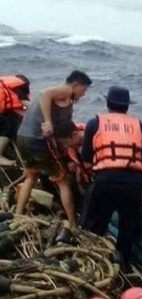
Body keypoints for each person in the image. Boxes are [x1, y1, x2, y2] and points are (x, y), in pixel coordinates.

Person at [79, 86, 142, 267]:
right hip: (134, 184)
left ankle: (90, 262)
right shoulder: (138, 125)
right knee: (128, 229)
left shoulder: (95, 123)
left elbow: (87, 158)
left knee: (94, 226)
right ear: (127, 107)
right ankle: (123, 266)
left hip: (106, 181)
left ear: (107, 103)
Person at [15, 70, 92, 228]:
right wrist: (48, 122)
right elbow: (45, 94)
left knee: (31, 177)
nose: (82, 95)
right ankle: (72, 223)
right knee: (62, 180)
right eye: (83, 90)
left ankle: (18, 214)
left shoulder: (65, 99)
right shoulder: (66, 89)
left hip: (22, 137)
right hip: (37, 141)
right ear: (76, 85)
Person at [53, 120, 91, 206]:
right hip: (85, 178)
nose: (66, 146)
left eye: (66, 142)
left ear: (75, 134)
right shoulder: (73, 146)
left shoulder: (94, 140)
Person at [0, 74, 31, 166]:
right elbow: (29, 105)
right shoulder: (18, 88)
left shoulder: (5, 86)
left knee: (10, 121)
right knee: (7, 125)